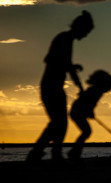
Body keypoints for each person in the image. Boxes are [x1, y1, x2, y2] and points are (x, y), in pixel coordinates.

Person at [26, 11, 94, 163]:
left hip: (54, 86)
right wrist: (74, 74)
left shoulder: (67, 39)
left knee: (58, 122)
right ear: (81, 28)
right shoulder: (64, 39)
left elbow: (65, 65)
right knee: (59, 122)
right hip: (51, 86)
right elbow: (55, 61)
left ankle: (44, 152)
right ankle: (44, 152)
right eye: (87, 31)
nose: (86, 35)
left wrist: (74, 72)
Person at [68, 70, 111, 161]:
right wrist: (89, 112)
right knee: (86, 131)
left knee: (86, 132)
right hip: (77, 112)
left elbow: (90, 104)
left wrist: (90, 112)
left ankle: (74, 152)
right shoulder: (95, 91)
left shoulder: (96, 90)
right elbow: (87, 103)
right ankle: (74, 152)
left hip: (78, 112)